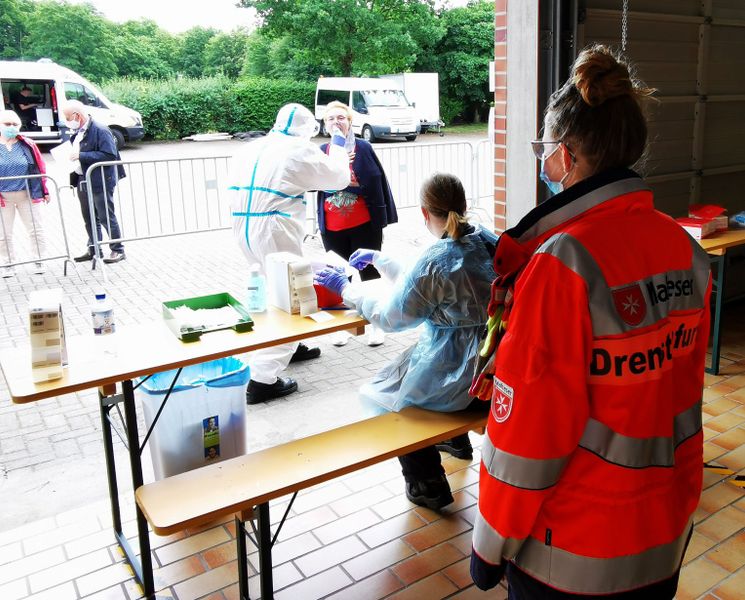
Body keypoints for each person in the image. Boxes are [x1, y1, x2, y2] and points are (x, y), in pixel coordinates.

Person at [469, 45, 711, 599]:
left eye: (543, 149)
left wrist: (489, 542)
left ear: (566, 154)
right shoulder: (683, 248)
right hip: (663, 535)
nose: (543, 163)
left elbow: (529, 434)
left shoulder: (564, 264)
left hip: (573, 556)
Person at [314, 173, 497, 510]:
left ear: (424, 213)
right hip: (497, 369)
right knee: (415, 383)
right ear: (464, 205)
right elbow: (425, 286)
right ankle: (456, 442)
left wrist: (346, 289)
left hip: (456, 374)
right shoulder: (489, 241)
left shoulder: (436, 259)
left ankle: (426, 482)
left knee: (387, 398)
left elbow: (392, 316)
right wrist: (381, 261)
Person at [229, 103, 351, 404]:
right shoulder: (297, 149)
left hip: (243, 226)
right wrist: (337, 143)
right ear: (307, 129)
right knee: (291, 297)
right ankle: (262, 379)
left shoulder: (251, 148)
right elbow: (338, 178)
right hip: (275, 228)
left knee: (271, 293)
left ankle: (292, 345)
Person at [317, 101, 397, 347]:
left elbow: (375, 182)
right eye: (331, 119)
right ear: (325, 124)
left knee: (369, 274)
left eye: (341, 118)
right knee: (339, 276)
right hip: (332, 227)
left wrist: (349, 180)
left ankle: (376, 324)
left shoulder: (362, 147)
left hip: (363, 224)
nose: (336, 122)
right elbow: (310, 184)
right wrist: (335, 174)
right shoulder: (321, 150)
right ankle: (343, 326)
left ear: (350, 122)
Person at [62, 100, 126, 264]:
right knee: (89, 217)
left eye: (68, 117)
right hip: (82, 179)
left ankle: (118, 250)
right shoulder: (78, 131)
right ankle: (94, 248)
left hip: (100, 180)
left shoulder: (100, 130)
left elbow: (110, 155)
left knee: (105, 216)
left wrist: (81, 156)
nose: (66, 121)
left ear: (77, 115)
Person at [0, 109, 50, 277]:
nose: (11, 127)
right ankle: (8, 263)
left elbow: (40, 166)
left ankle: (39, 260)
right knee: (3, 233)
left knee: (36, 229)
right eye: (7, 124)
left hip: (27, 194)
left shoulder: (27, 144)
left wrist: (44, 189)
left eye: (15, 124)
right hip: (3, 198)